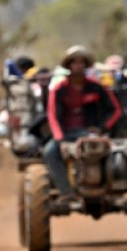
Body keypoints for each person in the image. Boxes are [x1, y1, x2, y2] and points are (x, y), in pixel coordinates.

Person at [44, 45, 121, 203]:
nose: (78, 66)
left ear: (86, 65)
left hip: (89, 132)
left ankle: (110, 186)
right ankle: (66, 191)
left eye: (81, 62)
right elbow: (52, 116)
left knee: (110, 152)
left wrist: (102, 129)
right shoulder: (58, 90)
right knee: (50, 152)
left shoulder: (97, 86)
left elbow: (115, 110)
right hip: (66, 134)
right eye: (74, 62)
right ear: (69, 66)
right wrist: (60, 141)